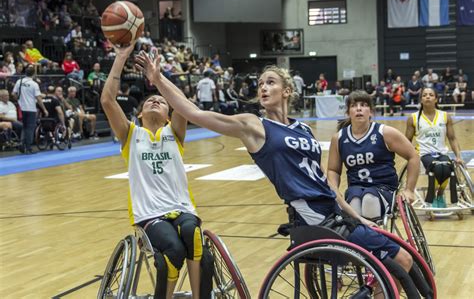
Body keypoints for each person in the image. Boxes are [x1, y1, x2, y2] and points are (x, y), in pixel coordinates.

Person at [135, 51, 414, 276]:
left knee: (408, 261)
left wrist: (358, 217)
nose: (263, 88)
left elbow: (324, 184)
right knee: (400, 261)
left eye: (270, 82)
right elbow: (193, 111)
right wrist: (159, 78)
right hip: (315, 219)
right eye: (260, 84)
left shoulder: (303, 129)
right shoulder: (254, 126)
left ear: (287, 90)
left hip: (336, 213)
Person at [101, 44, 207, 299]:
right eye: (150, 100)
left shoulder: (175, 132)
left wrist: (157, 80)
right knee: (173, 250)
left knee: (193, 233)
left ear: (169, 113)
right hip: (149, 214)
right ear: (139, 113)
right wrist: (121, 57)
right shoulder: (131, 134)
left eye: (161, 101)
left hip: (181, 208)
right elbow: (107, 100)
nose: (156, 100)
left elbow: (181, 101)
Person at [327, 91, 419, 220]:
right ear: (348, 112)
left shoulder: (385, 132)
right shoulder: (339, 138)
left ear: (371, 112)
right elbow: (333, 170)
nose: (359, 108)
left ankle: (374, 238)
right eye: (354, 105)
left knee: (369, 199)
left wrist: (409, 190)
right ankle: (364, 237)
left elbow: (413, 156)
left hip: (384, 188)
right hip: (355, 188)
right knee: (354, 201)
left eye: (363, 105)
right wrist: (335, 191)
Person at [405, 87, 464, 208]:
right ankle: (432, 198)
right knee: (437, 168)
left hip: (441, 153)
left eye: (431, 95)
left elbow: (452, 138)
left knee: (448, 168)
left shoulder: (445, 116)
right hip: (423, 154)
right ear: (421, 99)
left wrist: (458, 156)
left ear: (436, 99)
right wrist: (410, 159)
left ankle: (440, 195)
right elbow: (406, 141)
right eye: (425, 95)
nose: (427, 97)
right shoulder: (413, 118)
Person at [12, 65, 48, 154]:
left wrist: (19, 99)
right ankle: (28, 147)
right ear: (34, 74)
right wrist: (44, 109)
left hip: (21, 108)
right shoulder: (34, 84)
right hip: (31, 108)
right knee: (30, 128)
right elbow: (39, 98)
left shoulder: (19, 81)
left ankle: (22, 143)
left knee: (25, 126)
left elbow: (13, 94)